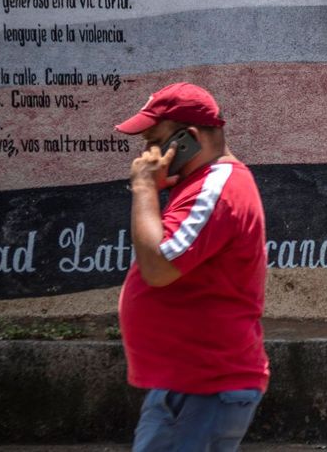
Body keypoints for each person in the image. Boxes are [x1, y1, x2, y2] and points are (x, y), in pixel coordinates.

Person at [114, 82, 269, 451]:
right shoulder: (198, 185)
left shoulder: (217, 187)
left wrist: (144, 189)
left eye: (154, 140)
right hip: (184, 384)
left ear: (189, 138)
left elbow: (159, 266)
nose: (146, 154)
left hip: (206, 386)